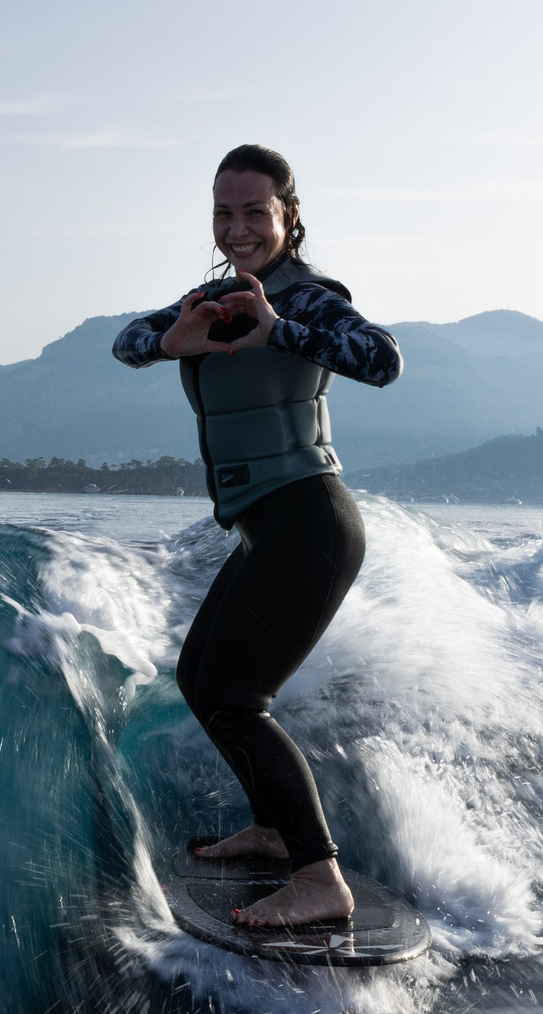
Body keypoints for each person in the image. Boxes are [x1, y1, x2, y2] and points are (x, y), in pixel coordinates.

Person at [112, 144, 403, 928]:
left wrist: (281, 330)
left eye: (255, 213)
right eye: (223, 213)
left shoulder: (309, 301)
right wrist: (174, 339)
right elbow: (127, 341)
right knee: (198, 676)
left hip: (311, 520)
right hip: (262, 526)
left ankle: (320, 876)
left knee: (237, 697)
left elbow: (383, 359)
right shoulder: (206, 302)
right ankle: (275, 831)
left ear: (289, 216)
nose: (237, 228)